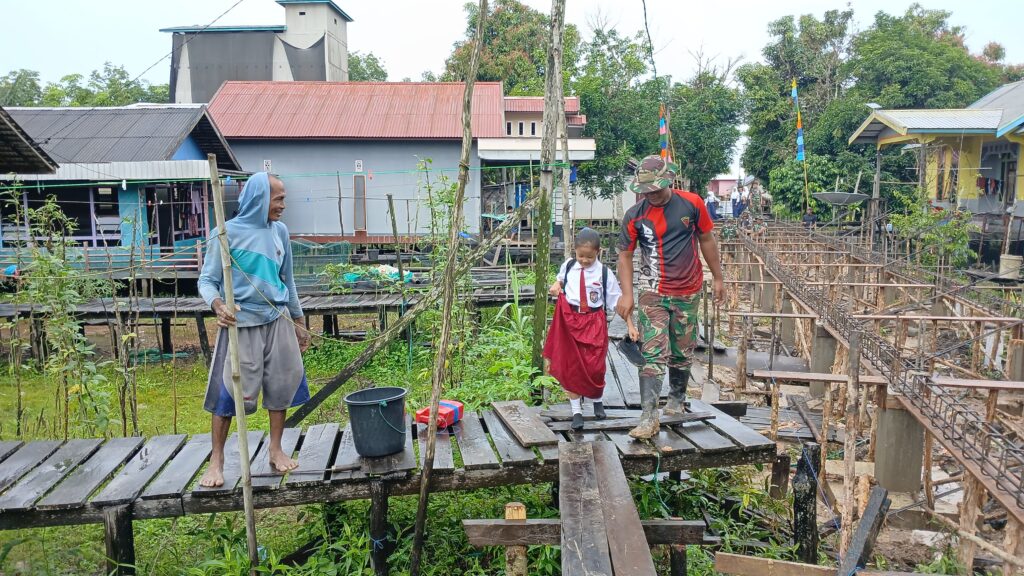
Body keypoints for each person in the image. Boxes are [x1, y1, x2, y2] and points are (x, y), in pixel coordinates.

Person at [197, 172, 311, 487]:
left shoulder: (280, 232)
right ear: (260, 199)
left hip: (277, 319)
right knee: (227, 393)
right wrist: (218, 304)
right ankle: (216, 460)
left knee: (282, 382)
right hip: (241, 324)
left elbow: (288, 281)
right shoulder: (225, 233)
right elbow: (207, 280)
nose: (284, 205)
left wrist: (298, 322)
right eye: (279, 199)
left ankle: (275, 449)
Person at [616, 155, 725, 439]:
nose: (651, 195)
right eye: (646, 190)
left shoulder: (692, 204)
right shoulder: (634, 216)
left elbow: (707, 240)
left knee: (682, 349)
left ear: (669, 182)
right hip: (652, 292)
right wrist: (626, 294)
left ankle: (676, 400)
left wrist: (719, 277)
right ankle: (649, 416)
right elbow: (625, 256)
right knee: (652, 352)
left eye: (656, 189)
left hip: (688, 291)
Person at [543, 228, 629, 430]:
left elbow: (617, 301)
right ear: (574, 251)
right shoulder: (570, 265)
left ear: (598, 252)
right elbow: (561, 278)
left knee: (595, 367)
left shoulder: (604, 273)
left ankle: (597, 398)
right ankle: (576, 411)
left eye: (589, 257)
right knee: (571, 367)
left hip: (594, 321)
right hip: (570, 320)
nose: (583, 260)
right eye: (580, 256)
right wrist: (556, 284)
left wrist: (630, 325)